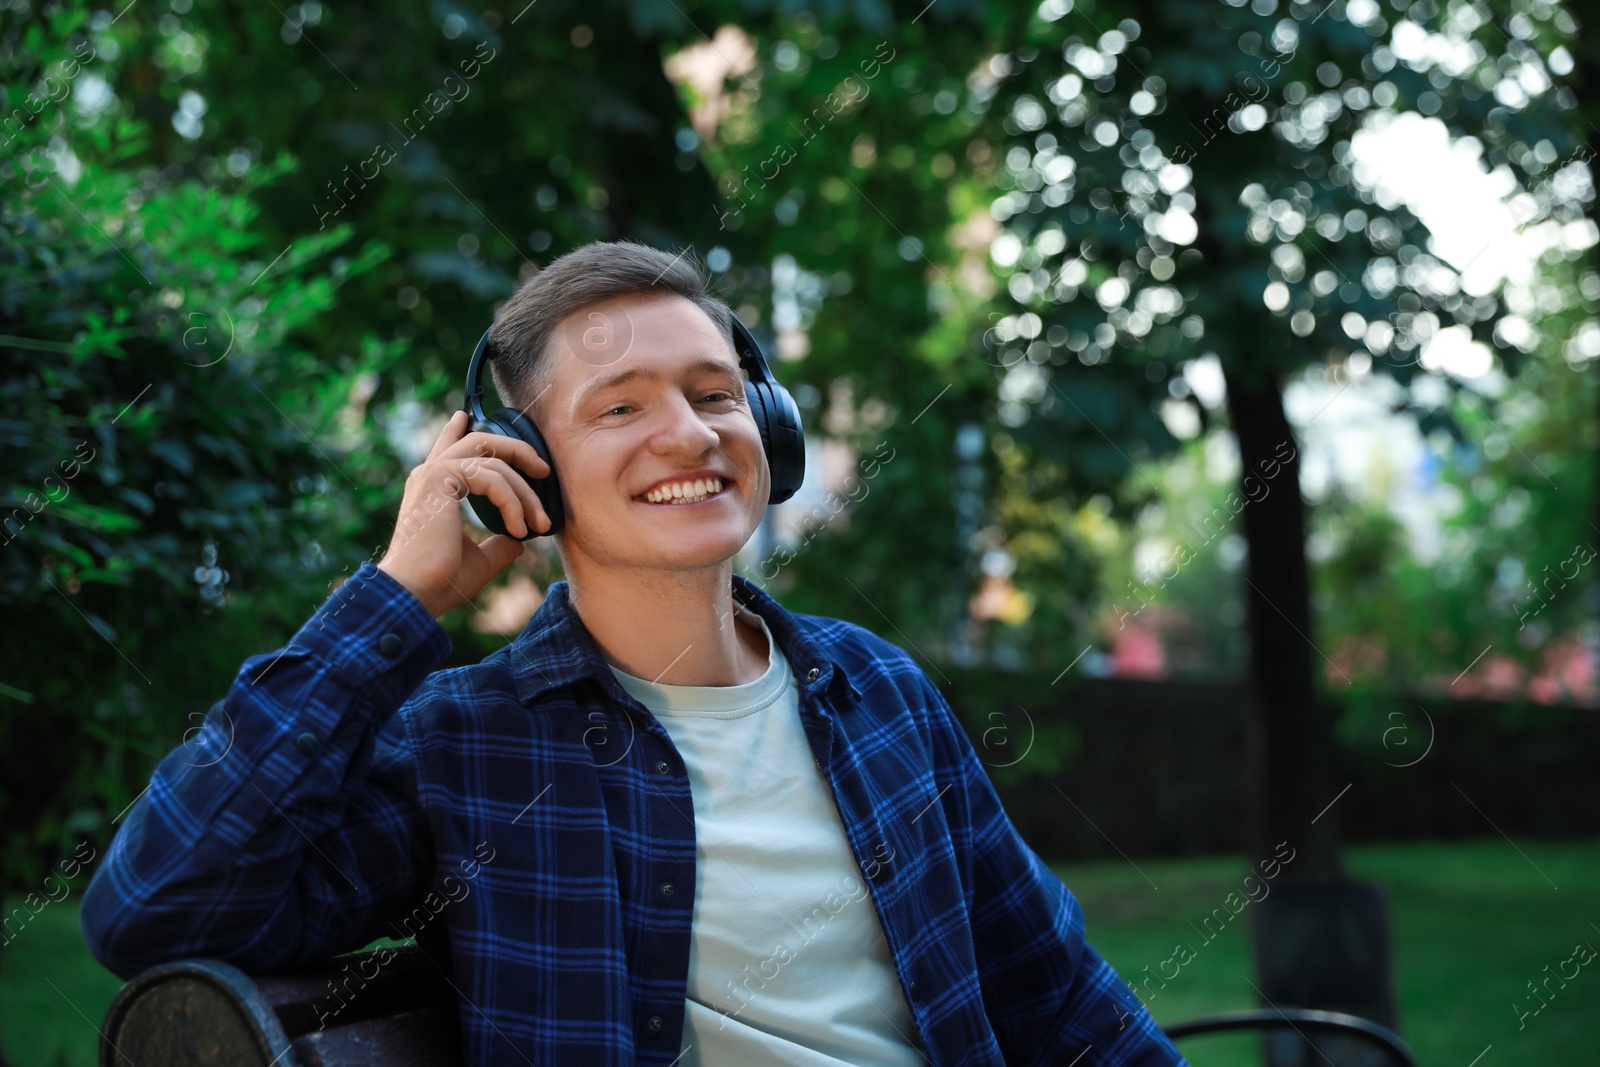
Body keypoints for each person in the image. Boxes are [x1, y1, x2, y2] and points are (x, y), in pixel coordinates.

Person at [80, 240, 1187, 1066]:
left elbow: (1064, 1003)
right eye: (620, 408)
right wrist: (395, 597)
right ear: (526, 469)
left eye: (715, 395)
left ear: (772, 432)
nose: (693, 434)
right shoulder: (467, 742)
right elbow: (157, 906)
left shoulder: (881, 693)